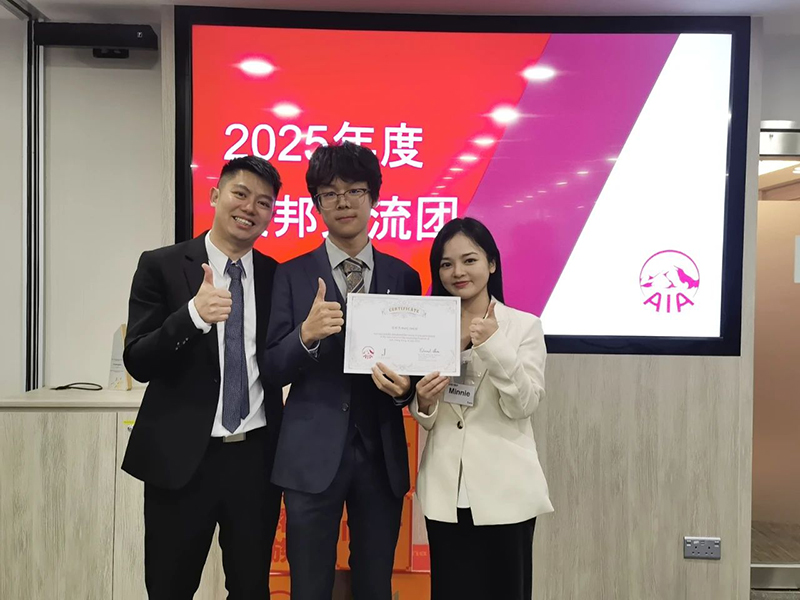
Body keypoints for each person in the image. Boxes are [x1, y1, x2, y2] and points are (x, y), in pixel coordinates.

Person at [122, 156, 284, 599]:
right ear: (215, 195)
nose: (250, 208)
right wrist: (192, 315)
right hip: (180, 460)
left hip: (254, 461)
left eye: (264, 202)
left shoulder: (276, 276)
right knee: (169, 588)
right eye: (240, 194)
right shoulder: (161, 265)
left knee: (250, 588)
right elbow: (138, 360)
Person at [264, 141, 421, 600]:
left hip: (381, 455)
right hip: (310, 455)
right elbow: (271, 368)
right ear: (316, 204)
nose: (343, 202)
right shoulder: (290, 275)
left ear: (374, 197)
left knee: (375, 584)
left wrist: (403, 390)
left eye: (354, 190)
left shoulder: (404, 276)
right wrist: (305, 336)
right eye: (329, 193)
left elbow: (414, 370)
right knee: (309, 585)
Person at [411, 217, 553, 600]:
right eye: (446, 264)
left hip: (505, 492)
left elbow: (524, 404)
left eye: (469, 260)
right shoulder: (429, 328)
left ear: (491, 263)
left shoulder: (523, 327)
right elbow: (427, 415)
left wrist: (493, 345)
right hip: (445, 491)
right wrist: (423, 401)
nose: (457, 272)